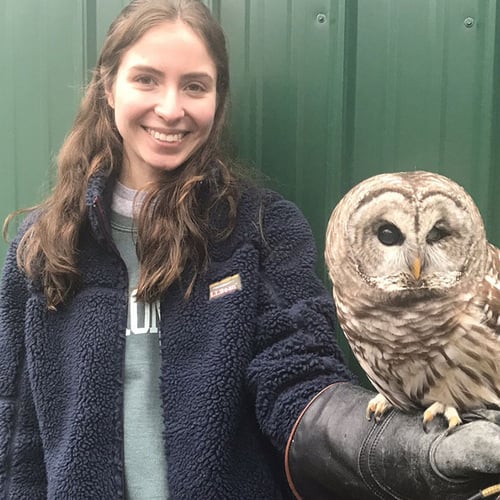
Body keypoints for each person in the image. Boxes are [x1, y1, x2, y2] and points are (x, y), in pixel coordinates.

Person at [1, 0, 500, 498]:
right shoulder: (42, 247)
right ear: (109, 87)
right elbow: (18, 432)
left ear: (218, 98)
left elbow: (298, 383)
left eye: (195, 85)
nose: (171, 108)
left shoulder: (262, 229)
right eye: (146, 79)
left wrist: (400, 449)